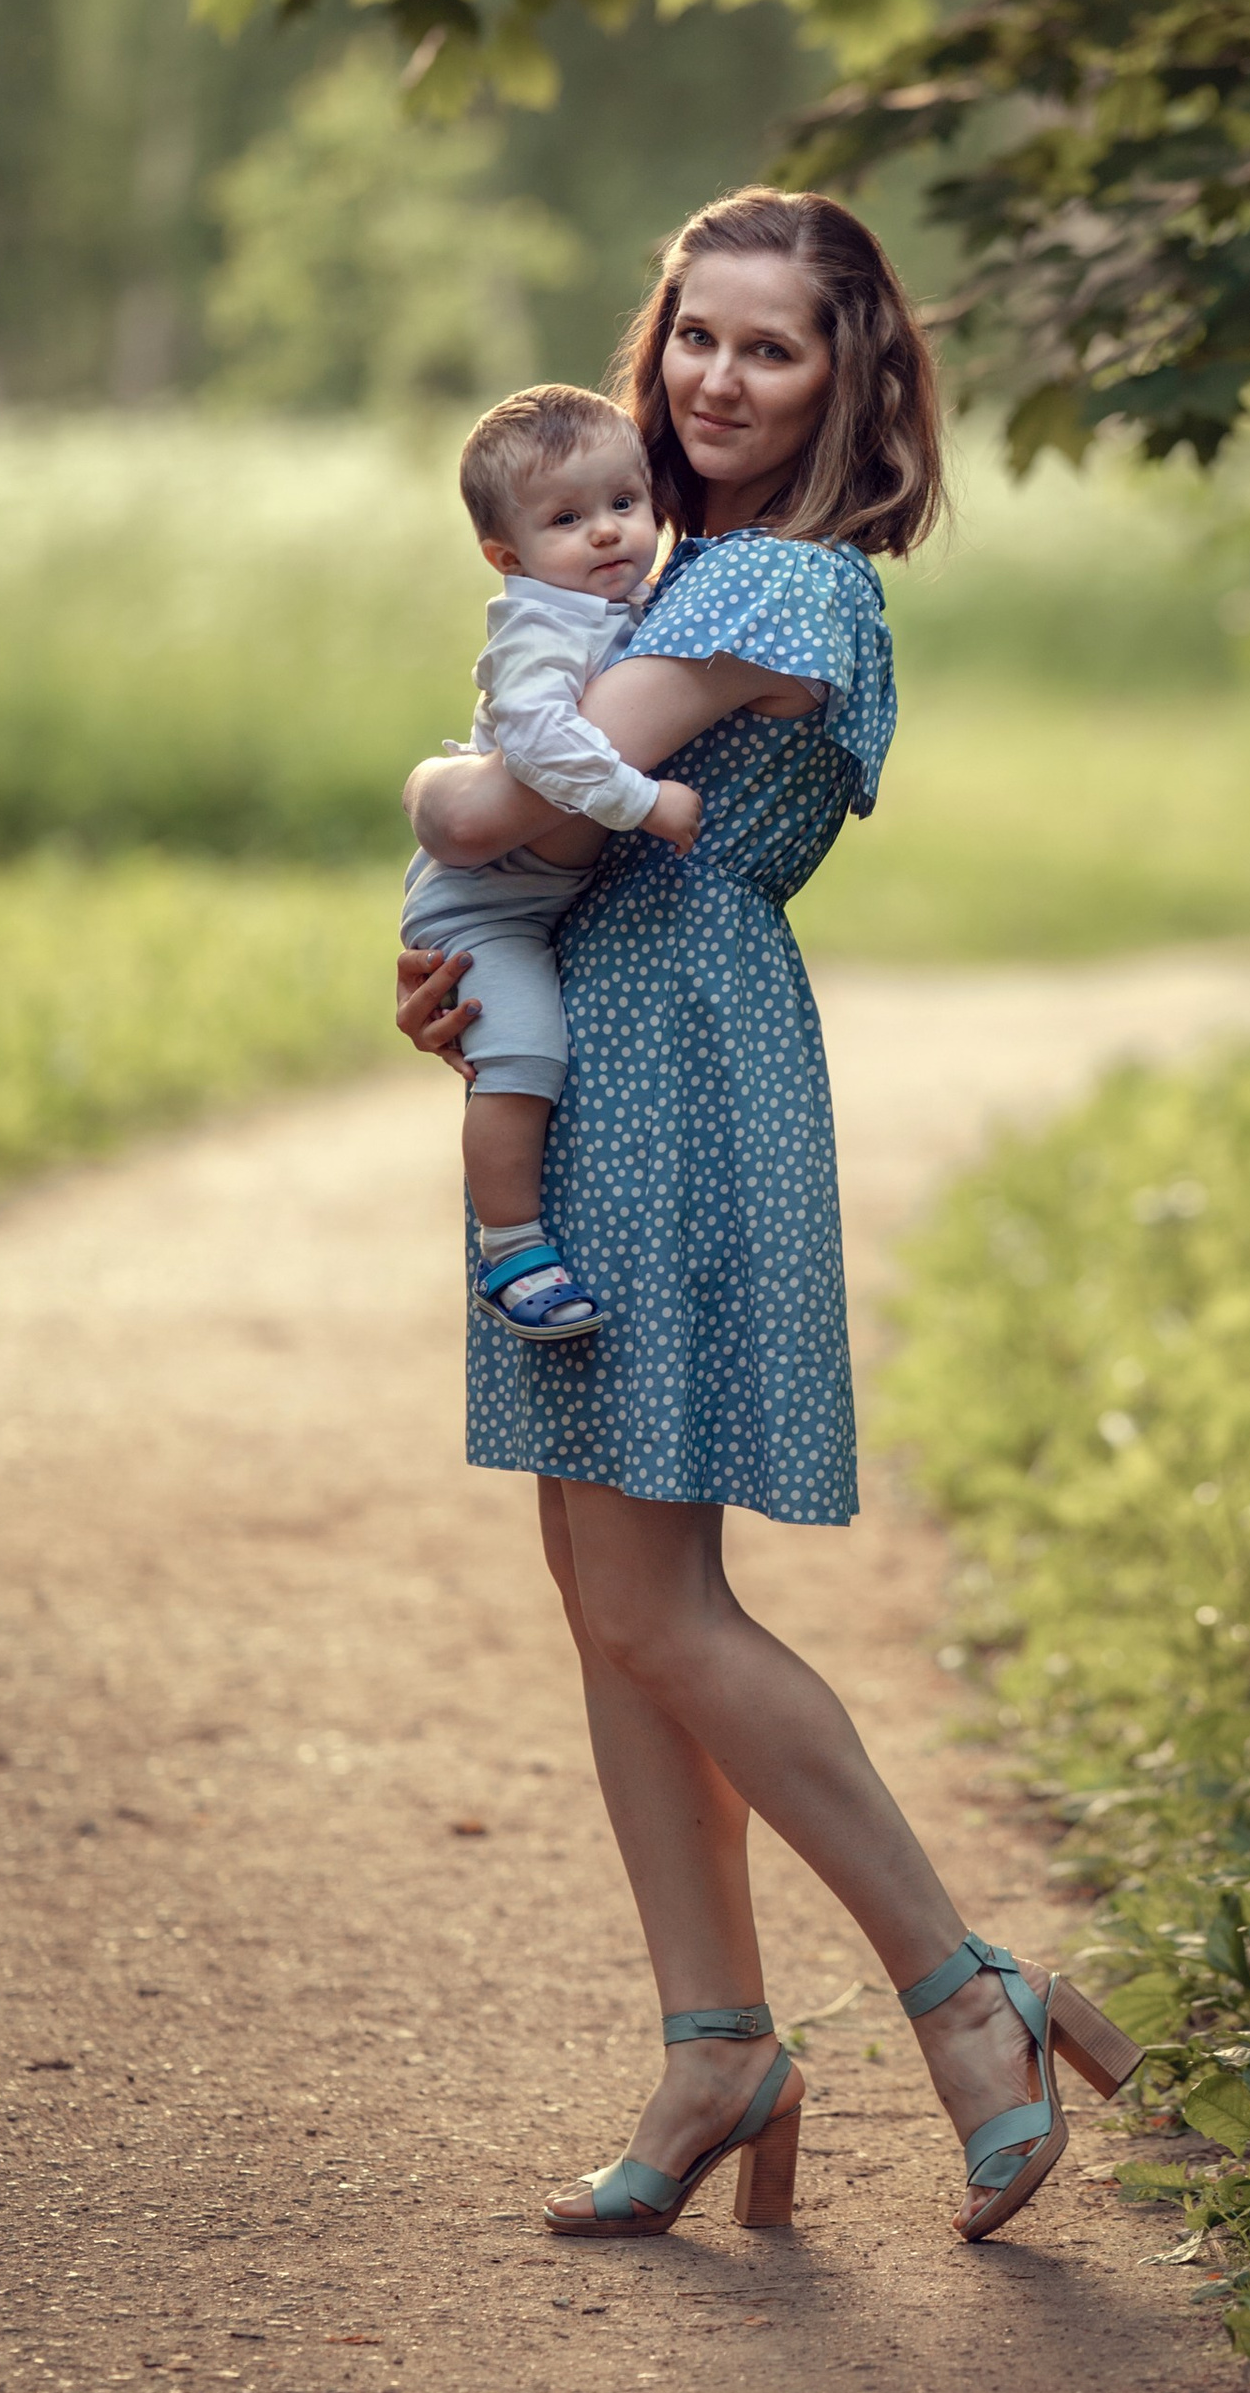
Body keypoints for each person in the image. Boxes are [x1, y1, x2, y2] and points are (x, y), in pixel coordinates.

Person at [395, 187, 1140, 2244]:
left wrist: (453, 829)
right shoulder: (659, 565)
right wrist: (451, 976)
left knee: (655, 1602)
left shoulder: (784, 596)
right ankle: (714, 2038)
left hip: (680, 1077)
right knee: (599, 1588)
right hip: (588, 1055)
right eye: (694, 337)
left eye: (771, 349)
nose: (718, 379)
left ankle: (954, 1982)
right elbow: (525, 861)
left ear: (852, 380)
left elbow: (525, 804)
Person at [402, 381, 702, 1341]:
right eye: (568, 519)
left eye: (625, 504)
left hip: (536, 891)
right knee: (524, 1054)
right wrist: (643, 803)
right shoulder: (539, 626)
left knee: (531, 1052)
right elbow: (535, 744)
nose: (609, 533)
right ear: (508, 555)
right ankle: (511, 1248)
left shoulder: (628, 600)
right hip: (486, 906)